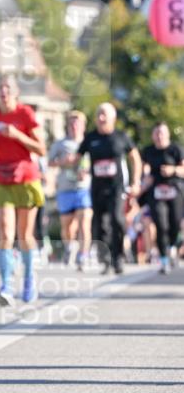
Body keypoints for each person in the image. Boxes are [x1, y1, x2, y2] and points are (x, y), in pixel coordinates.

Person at [0, 74, 46, 306]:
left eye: (8, 88)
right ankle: (6, 285)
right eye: (0, 88)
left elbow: (41, 149)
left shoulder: (25, 114)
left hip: (25, 177)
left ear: (16, 92)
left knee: (24, 235)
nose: (4, 91)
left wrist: (17, 135)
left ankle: (29, 280)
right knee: (5, 233)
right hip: (1, 177)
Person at [73, 103, 142, 275]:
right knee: (100, 224)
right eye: (98, 114)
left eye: (104, 114)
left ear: (113, 118)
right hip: (97, 188)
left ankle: (118, 257)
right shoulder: (90, 138)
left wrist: (135, 182)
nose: (101, 118)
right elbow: (77, 158)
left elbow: (135, 158)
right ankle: (105, 260)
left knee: (117, 220)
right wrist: (80, 170)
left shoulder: (121, 136)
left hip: (117, 187)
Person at [48, 110, 93, 270]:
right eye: (72, 123)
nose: (74, 126)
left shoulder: (89, 143)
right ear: (67, 126)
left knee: (84, 222)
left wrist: (87, 171)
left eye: (78, 123)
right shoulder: (60, 144)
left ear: (83, 126)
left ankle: (83, 256)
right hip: (65, 189)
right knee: (67, 226)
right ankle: (70, 246)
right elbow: (49, 162)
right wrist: (63, 161)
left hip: (84, 188)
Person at [140, 122, 184, 274]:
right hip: (156, 193)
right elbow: (144, 169)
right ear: (153, 136)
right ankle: (164, 259)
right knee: (160, 224)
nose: (159, 136)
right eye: (156, 133)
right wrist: (144, 179)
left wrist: (173, 170)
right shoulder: (148, 151)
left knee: (175, 224)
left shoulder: (176, 149)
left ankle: (172, 247)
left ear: (168, 134)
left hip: (174, 191)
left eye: (162, 133)